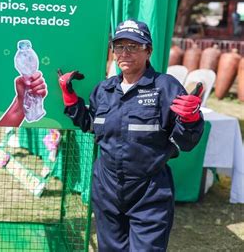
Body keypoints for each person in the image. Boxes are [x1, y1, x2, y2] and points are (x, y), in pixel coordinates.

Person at [57, 19, 204, 251]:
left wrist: (191, 119)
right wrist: (70, 99)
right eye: (119, 46)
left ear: (149, 51)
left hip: (149, 192)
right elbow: (91, 125)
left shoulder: (165, 87)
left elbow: (185, 142)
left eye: (134, 46)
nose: (125, 53)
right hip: (106, 189)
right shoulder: (103, 90)